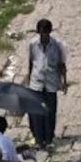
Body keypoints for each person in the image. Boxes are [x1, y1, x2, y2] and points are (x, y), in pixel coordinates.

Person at [26, 19, 68, 148]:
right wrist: (28, 80)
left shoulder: (57, 45)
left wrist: (64, 82)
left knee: (50, 112)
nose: (43, 36)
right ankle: (38, 139)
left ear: (49, 32)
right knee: (35, 112)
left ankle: (49, 139)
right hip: (36, 82)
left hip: (51, 82)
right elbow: (31, 62)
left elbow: (62, 65)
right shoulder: (33, 44)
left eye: (46, 33)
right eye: (41, 33)